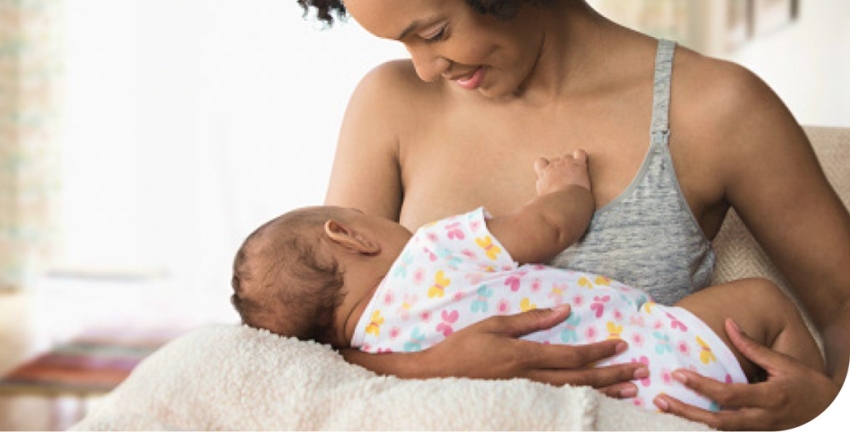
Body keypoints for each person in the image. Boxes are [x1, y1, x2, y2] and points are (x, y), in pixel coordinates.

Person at [262, 0, 850, 428]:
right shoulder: (390, 104)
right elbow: (314, 335)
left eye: (435, 32)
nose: (424, 67)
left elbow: (842, 299)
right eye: (401, 42)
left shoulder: (714, 109)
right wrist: (431, 365)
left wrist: (819, 398)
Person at [231, 151, 823, 412]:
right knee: (763, 301)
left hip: (624, 410)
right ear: (350, 236)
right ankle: (800, 386)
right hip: (659, 356)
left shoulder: (369, 358)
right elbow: (548, 226)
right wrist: (565, 186)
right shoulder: (433, 249)